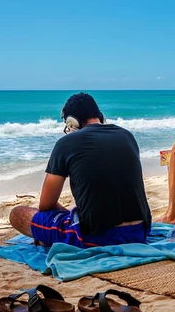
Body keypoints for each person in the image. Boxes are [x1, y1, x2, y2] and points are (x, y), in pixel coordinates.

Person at [9, 93, 151, 248]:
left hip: (98, 237)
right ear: (100, 116)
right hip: (139, 233)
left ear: (72, 122)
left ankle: (47, 236)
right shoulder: (127, 136)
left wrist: (68, 216)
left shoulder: (65, 144)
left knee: (18, 214)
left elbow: (46, 205)